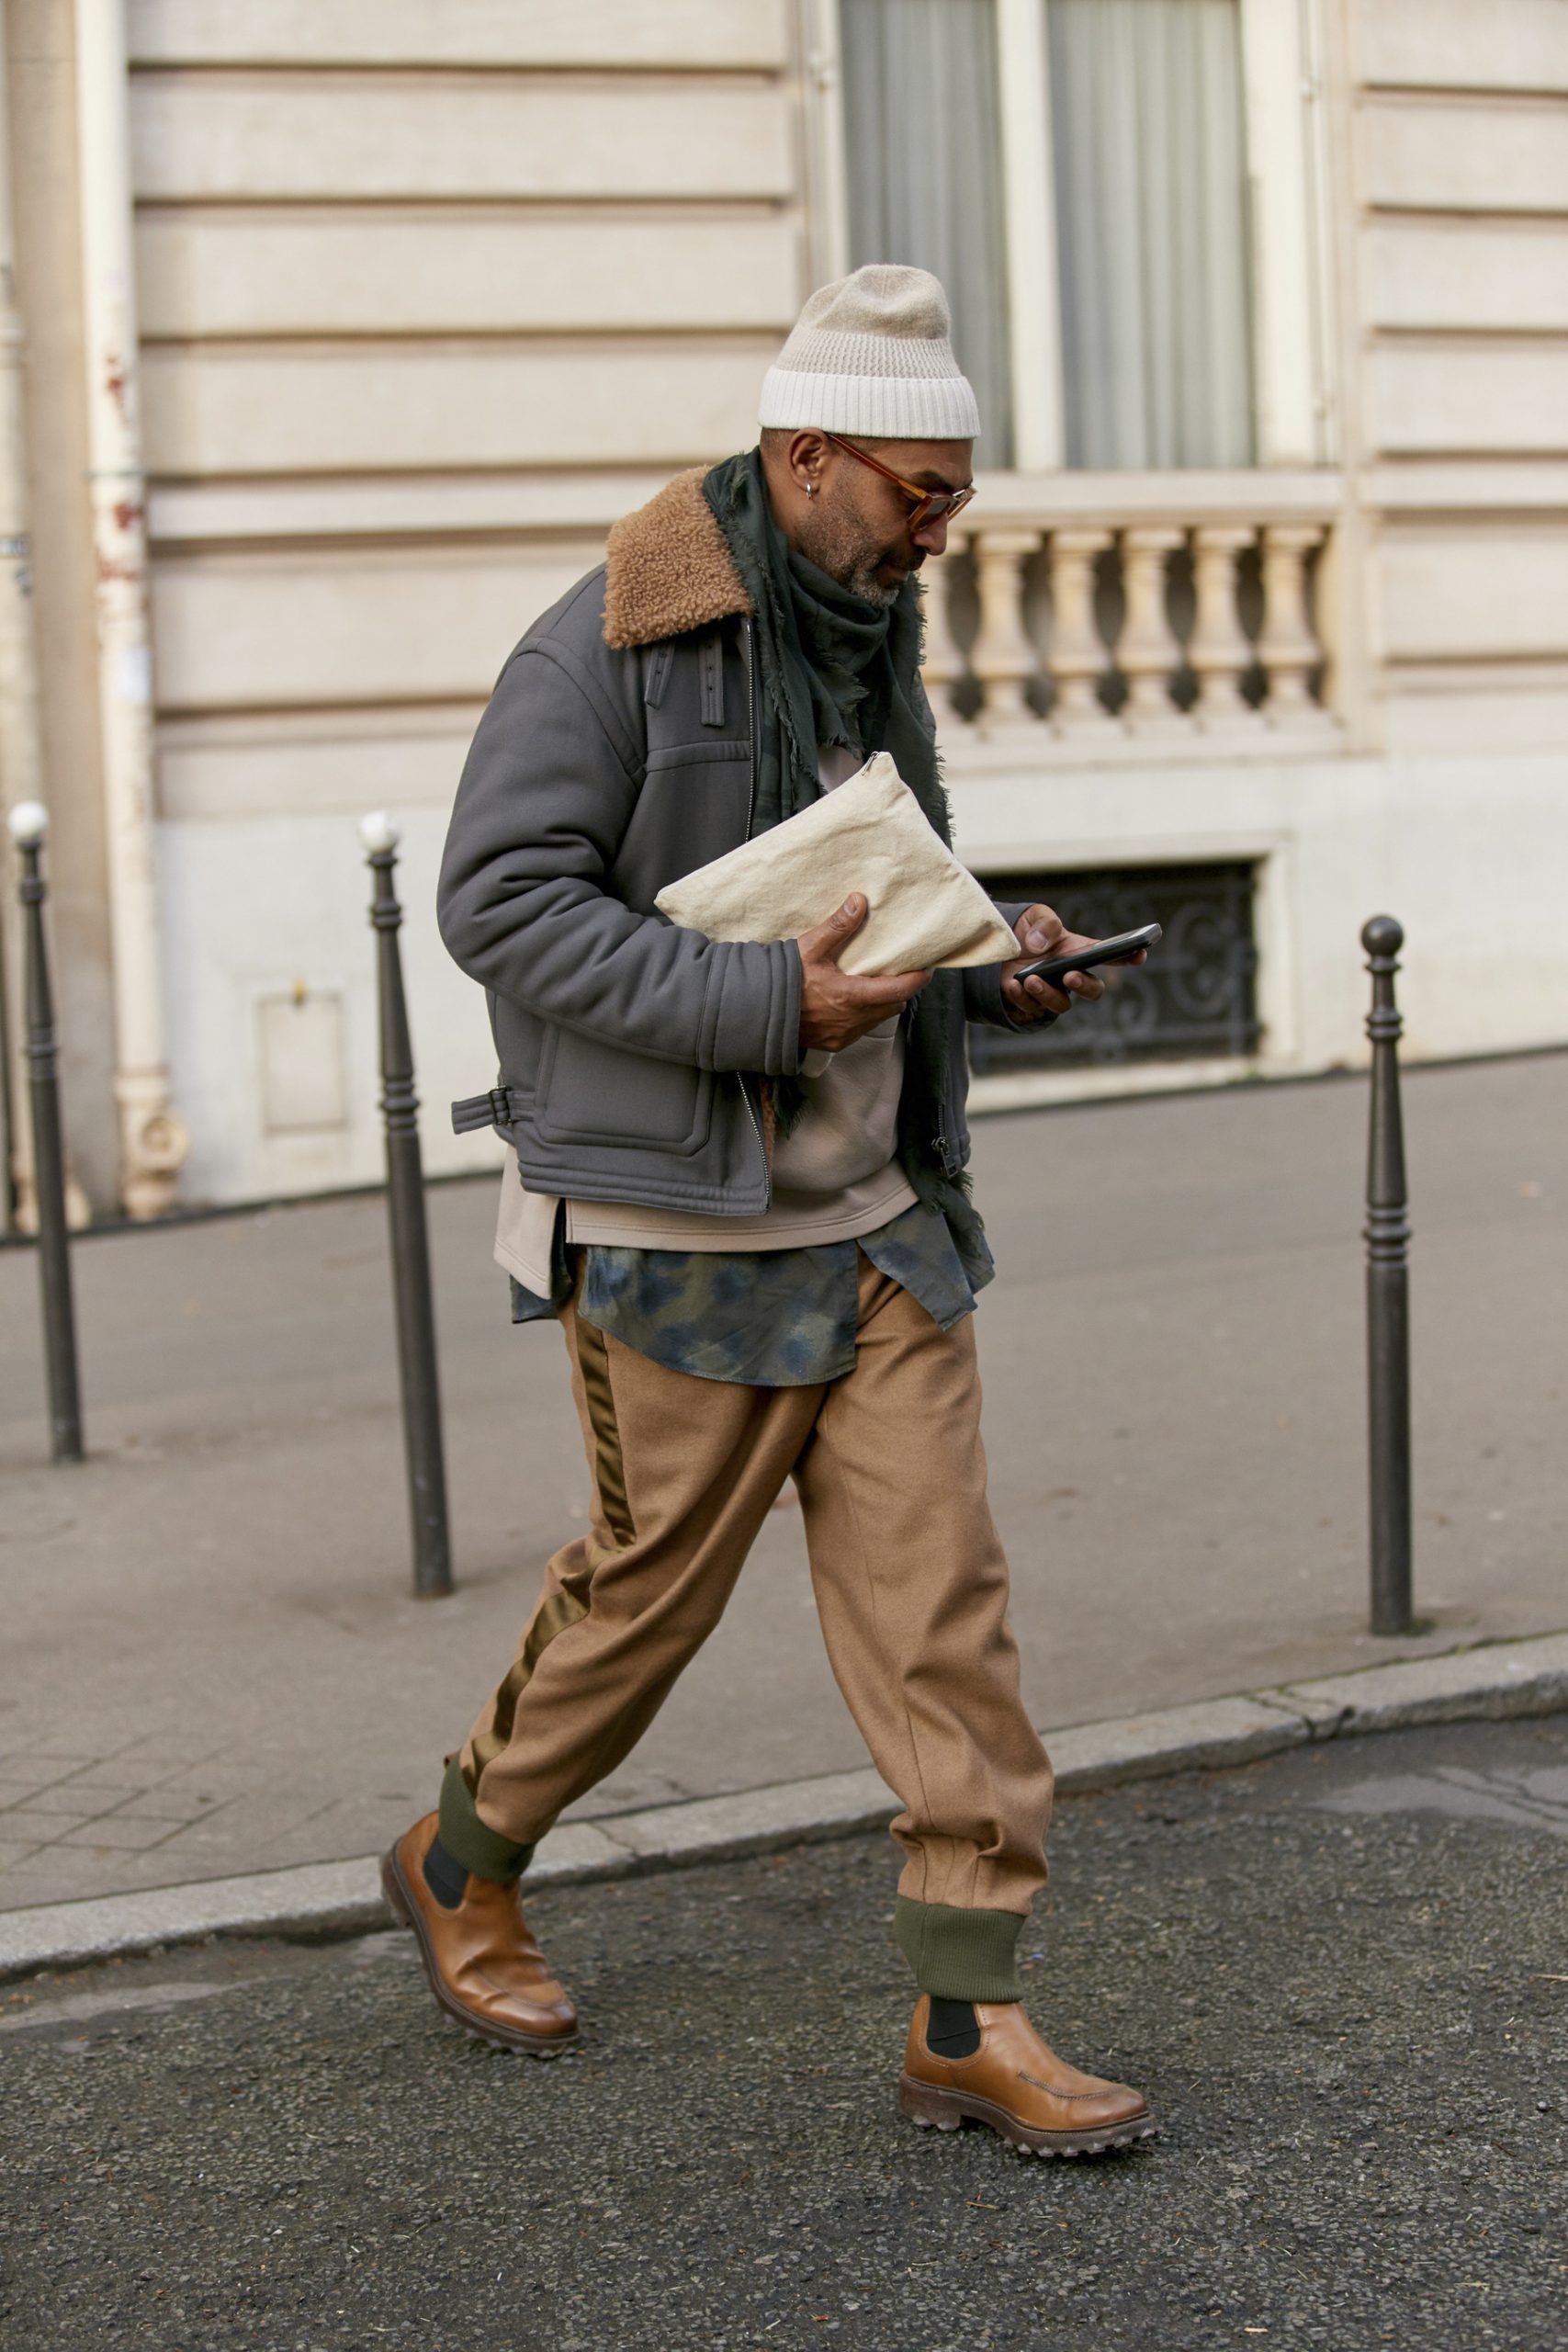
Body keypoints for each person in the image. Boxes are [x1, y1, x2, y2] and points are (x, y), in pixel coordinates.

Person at [381, 266, 1155, 2160]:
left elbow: (856, 890)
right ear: (804, 455)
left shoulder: (856, 624)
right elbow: (495, 900)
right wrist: (762, 1008)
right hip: (673, 1231)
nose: (937, 531)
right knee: (643, 1600)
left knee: (939, 1615)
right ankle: (459, 1851)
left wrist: (992, 957)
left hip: (877, 1221)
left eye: (951, 496)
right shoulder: (608, 643)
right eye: (915, 491)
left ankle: (965, 2011)